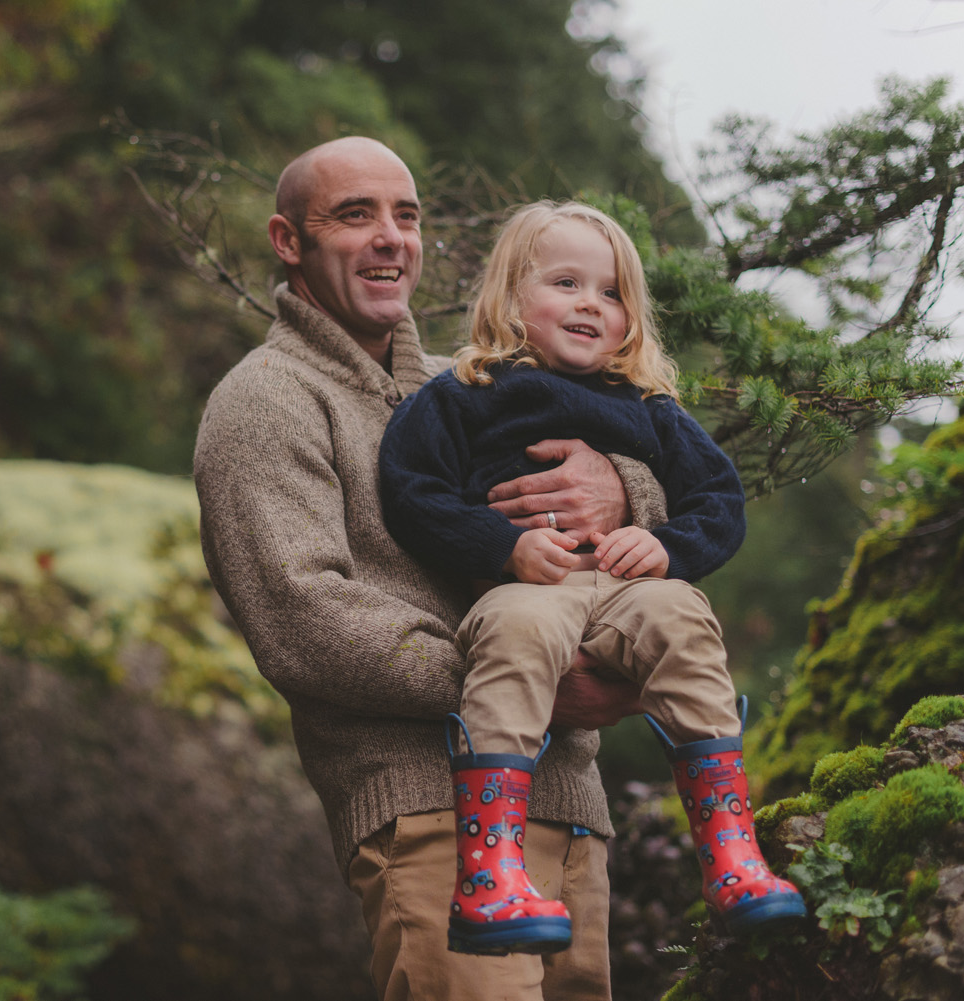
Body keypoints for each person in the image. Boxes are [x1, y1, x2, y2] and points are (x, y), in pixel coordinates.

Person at [194, 138, 659, 1001]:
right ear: (288, 240)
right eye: (354, 214)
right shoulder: (263, 402)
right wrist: (526, 686)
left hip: (569, 799)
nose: (389, 237)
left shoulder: (473, 385)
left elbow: (661, 465)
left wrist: (617, 485)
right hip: (427, 810)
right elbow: (305, 616)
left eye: (405, 216)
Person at [377, 201, 806, 955]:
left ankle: (731, 853)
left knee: (683, 617)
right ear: (511, 297)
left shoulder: (648, 407)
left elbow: (721, 499)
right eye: (566, 282)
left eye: (611, 293)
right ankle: (490, 870)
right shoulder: (466, 391)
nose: (590, 303)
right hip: (528, 586)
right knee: (516, 635)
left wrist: (666, 549)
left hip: (625, 586)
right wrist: (502, 546)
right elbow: (412, 490)